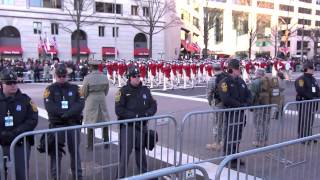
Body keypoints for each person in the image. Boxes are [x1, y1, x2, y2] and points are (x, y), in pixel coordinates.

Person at [43, 63, 84, 180]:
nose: (62, 78)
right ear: (55, 76)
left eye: (64, 75)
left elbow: (80, 104)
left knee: (75, 152)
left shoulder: (76, 88)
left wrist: (68, 114)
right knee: (56, 154)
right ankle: (55, 177)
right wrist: (63, 114)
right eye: (59, 76)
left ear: (67, 75)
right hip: (57, 125)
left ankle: (78, 176)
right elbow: (49, 106)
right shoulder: (49, 89)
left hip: (73, 124)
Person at [115, 66, 157, 178]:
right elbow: (119, 110)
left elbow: (153, 105)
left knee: (141, 154)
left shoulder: (145, 90)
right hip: (128, 128)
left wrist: (148, 114)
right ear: (129, 77)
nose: (137, 78)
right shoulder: (123, 91)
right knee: (124, 155)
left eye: (139, 75)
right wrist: (135, 116)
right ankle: (120, 177)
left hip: (142, 127)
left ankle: (144, 175)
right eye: (134, 76)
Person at [0, 69, 38, 180]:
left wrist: (15, 133)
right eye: (9, 83)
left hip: (20, 142)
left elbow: (32, 119)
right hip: (1, 143)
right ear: (2, 84)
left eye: (14, 82)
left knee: (20, 174)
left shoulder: (25, 100)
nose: (13, 85)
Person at [218, 59, 252, 167]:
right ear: (232, 69)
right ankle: (228, 158)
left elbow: (248, 93)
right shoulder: (225, 82)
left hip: (240, 113)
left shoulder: (240, 81)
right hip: (231, 112)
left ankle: (234, 155)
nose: (239, 71)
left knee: (237, 136)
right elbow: (226, 99)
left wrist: (247, 103)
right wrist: (240, 105)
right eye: (238, 69)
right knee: (230, 135)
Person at [82, 60, 110, 150]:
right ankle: (106, 142)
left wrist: (87, 97)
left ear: (91, 67)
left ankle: (90, 145)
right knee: (104, 120)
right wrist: (101, 94)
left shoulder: (87, 78)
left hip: (91, 99)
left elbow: (84, 92)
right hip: (102, 98)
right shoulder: (104, 77)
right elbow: (106, 90)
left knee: (90, 121)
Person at [295, 62, 320, 143]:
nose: (313, 70)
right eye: (312, 68)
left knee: (310, 120)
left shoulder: (313, 79)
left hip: (312, 103)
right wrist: (312, 97)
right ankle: (302, 137)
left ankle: (309, 136)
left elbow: (317, 89)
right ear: (307, 69)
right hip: (304, 102)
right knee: (303, 120)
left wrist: (318, 97)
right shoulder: (301, 79)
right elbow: (301, 91)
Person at [206, 63, 228, 151]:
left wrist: (210, 103)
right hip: (226, 103)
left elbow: (209, 94)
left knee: (217, 124)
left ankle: (217, 143)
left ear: (213, 69)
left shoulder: (212, 79)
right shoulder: (226, 77)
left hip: (218, 104)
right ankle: (224, 140)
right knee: (225, 123)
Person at [249, 68, 272, 147]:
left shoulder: (255, 82)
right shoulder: (269, 81)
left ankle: (258, 141)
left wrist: (250, 105)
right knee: (266, 124)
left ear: (257, 74)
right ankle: (265, 141)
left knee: (258, 124)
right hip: (268, 105)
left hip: (258, 105)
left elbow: (252, 95)